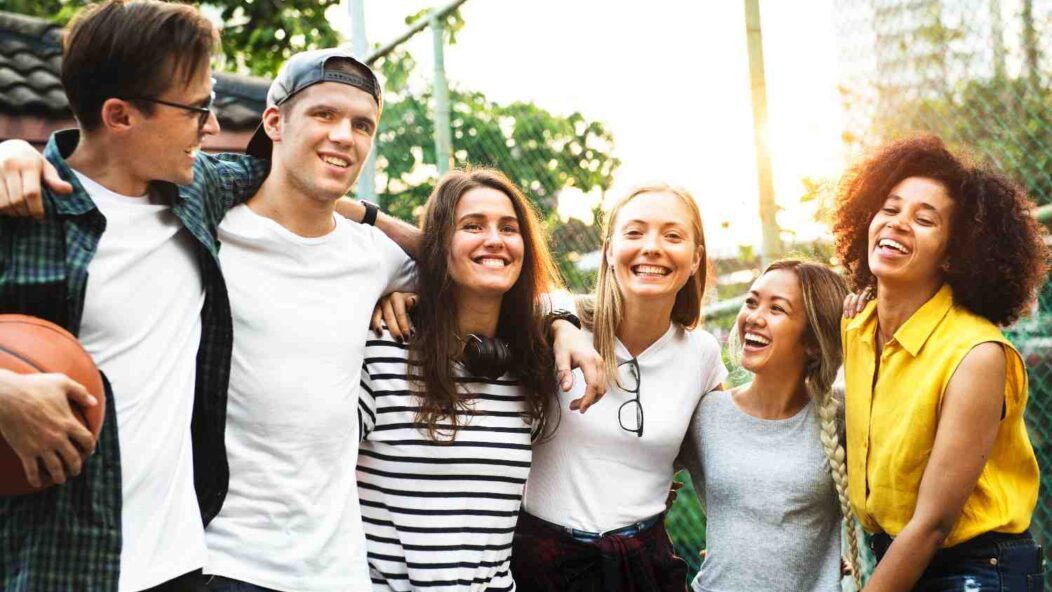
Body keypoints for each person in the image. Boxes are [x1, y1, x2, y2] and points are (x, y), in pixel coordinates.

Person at [0, 2, 268, 590]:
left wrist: (404, 245)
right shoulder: (20, 212)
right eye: (198, 109)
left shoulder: (196, 188)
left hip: (179, 561)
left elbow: (288, 177)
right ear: (120, 115)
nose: (214, 127)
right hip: (55, 565)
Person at [834, 136, 1047, 591]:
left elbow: (933, 523)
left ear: (953, 254)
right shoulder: (857, 327)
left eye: (924, 219)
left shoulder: (976, 354)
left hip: (977, 568)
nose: (898, 224)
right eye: (889, 209)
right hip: (896, 556)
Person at [511, 184, 726, 591]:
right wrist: (561, 323)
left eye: (673, 235)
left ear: (696, 258)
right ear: (609, 250)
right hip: (543, 564)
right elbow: (485, 292)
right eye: (635, 232)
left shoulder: (703, 355)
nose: (652, 247)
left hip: (643, 565)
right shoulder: (556, 321)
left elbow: (723, 464)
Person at [356, 168, 561, 590]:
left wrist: (567, 324)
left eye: (509, 228)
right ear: (437, 246)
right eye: (472, 226)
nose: (495, 239)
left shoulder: (531, 370)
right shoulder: (381, 349)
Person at [679, 259, 859, 592]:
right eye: (751, 302)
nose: (754, 317)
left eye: (777, 309)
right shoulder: (707, 414)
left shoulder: (843, 413)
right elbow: (640, 480)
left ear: (813, 342)